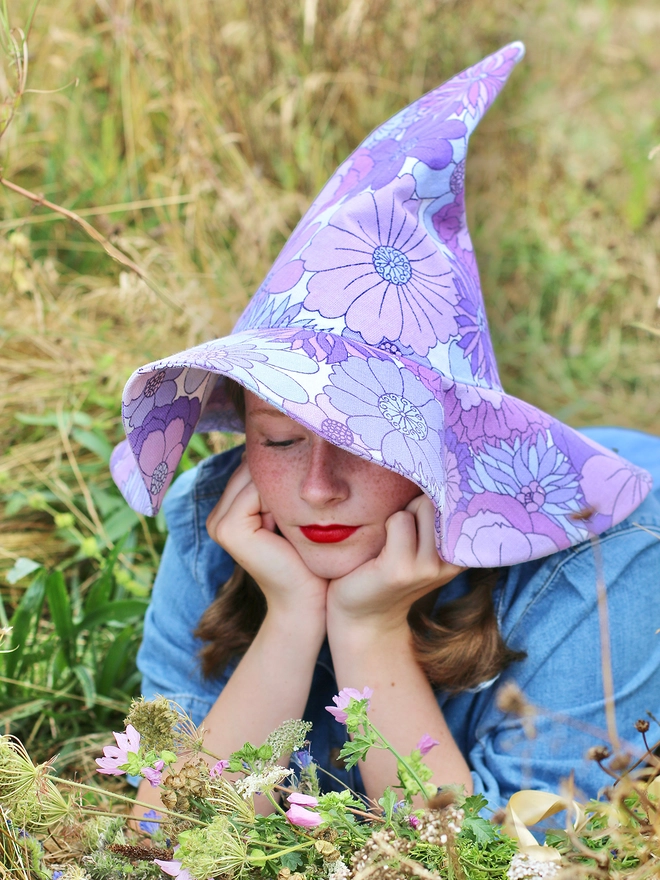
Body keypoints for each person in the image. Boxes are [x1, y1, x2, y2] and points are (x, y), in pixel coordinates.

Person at [110, 42, 660, 813]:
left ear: (446, 447)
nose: (317, 487)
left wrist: (370, 630)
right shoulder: (220, 519)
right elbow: (169, 844)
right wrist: (292, 620)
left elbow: (505, 864)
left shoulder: (611, 564)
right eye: (278, 438)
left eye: (371, 442)